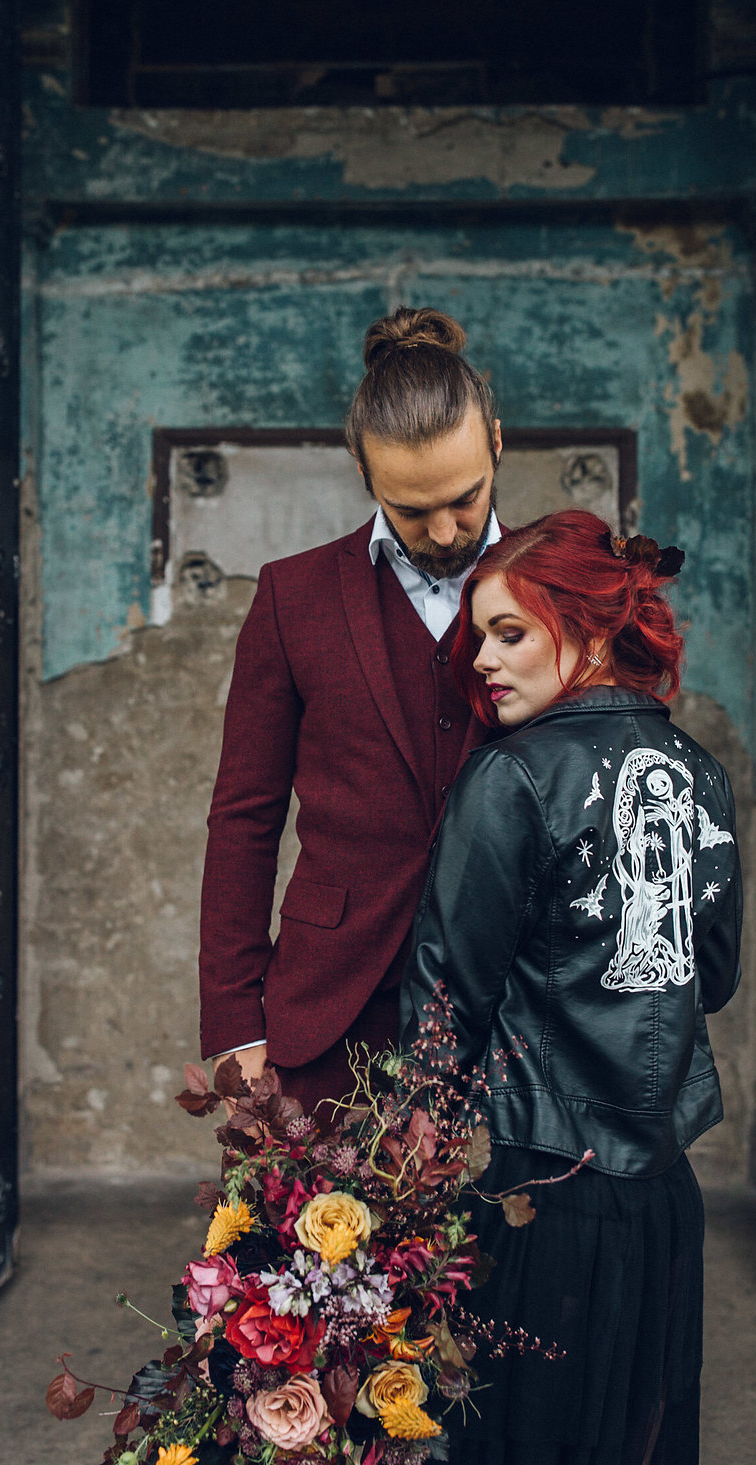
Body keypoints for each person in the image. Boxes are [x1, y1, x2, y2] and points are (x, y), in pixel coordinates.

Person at [401, 510, 742, 1465]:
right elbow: (711, 979)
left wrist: (412, 1136)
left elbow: (448, 994)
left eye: (509, 632)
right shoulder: (702, 774)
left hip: (539, 1192)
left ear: (590, 633)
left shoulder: (509, 777)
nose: (484, 660)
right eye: (479, 637)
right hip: (661, 1199)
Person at [199, 307, 504, 1114]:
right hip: (328, 1007)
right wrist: (234, 1022)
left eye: (466, 499)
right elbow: (243, 815)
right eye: (411, 509)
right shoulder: (291, 598)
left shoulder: (564, 584)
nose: (444, 531)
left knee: (512, 1236)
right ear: (365, 478)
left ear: (497, 443)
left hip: (518, 1001)